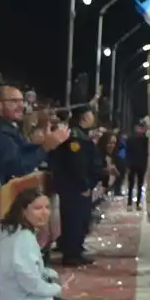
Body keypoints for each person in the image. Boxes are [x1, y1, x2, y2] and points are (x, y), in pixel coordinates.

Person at [49, 106, 101, 268]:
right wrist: (84, 184)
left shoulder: (81, 135)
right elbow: (76, 164)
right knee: (75, 219)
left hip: (75, 186)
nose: (94, 117)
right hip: (74, 188)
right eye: (91, 114)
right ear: (84, 117)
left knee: (80, 219)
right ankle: (72, 254)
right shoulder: (75, 138)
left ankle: (75, 249)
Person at [125, 121, 149, 208]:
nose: (140, 129)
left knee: (140, 184)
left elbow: (146, 153)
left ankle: (138, 203)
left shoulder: (146, 140)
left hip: (141, 164)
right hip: (132, 164)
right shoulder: (130, 139)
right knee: (131, 184)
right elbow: (127, 152)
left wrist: (145, 164)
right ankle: (129, 203)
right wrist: (127, 164)